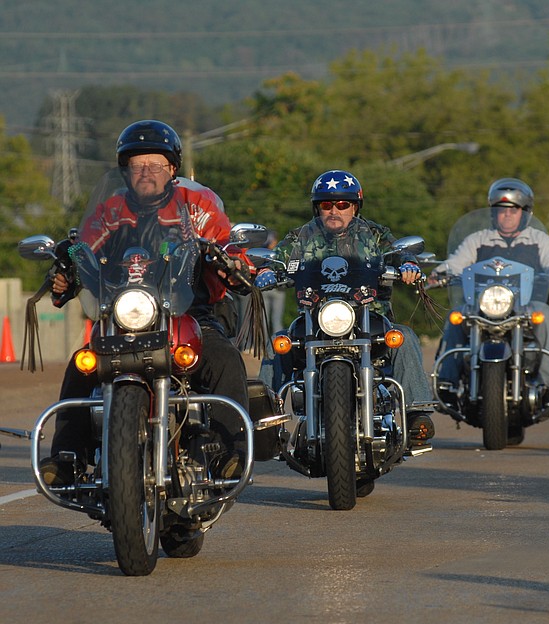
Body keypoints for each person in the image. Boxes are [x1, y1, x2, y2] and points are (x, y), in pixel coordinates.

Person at [42, 119, 252, 485]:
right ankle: (67, 456)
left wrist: (234, 262)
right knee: (82, 364)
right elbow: (85, 248)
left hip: (187, 308)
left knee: (221, 356)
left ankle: (229, 450)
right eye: (138, 165)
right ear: (125, 171)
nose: (146, 172)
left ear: (172, 168)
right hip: (126, 312)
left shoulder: (195, 205)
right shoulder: (109, 210)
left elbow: (226, 241)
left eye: (156, 164)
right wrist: (68, 265)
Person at [257, 169, 435, 446]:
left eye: (342, 204)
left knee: (404, 337)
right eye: (327, 205)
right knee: (279, 343)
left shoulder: (374, 234)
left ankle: (417, 414)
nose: (334, 211)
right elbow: (277, 257)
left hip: (369, 315)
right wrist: (267, 269)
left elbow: (398, 251)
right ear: (318, 208)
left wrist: (408, 264)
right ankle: (265, 422)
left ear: (355, 207)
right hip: (316, 318)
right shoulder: (301, 236)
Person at [431, 177, 549, 405]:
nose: (507, 215)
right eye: (501, 209)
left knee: (546, 315)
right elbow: (456, 262)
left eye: (513, 209)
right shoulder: (477, 240)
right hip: (482, 307)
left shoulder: (540, 240)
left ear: (525, 213)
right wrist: (440, 273)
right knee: (456, 316)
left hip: (526, 307)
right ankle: (447, 381)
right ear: (492, 212)